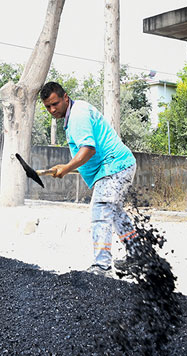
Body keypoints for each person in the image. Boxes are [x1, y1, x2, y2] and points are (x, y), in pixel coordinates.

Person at [40, 81, 138, 276]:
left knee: (100, 209)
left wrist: (67, 168)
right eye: (48, 106)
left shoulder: (77, 116)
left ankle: (102, 267)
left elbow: (88, 149)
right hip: (118, 166)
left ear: (65, 97)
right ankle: (138, 257)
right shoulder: (79, 111)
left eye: (55, 103)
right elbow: (88, 153)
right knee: (115, 211)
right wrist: (68, 167)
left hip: (114, 167)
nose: (52, 109)